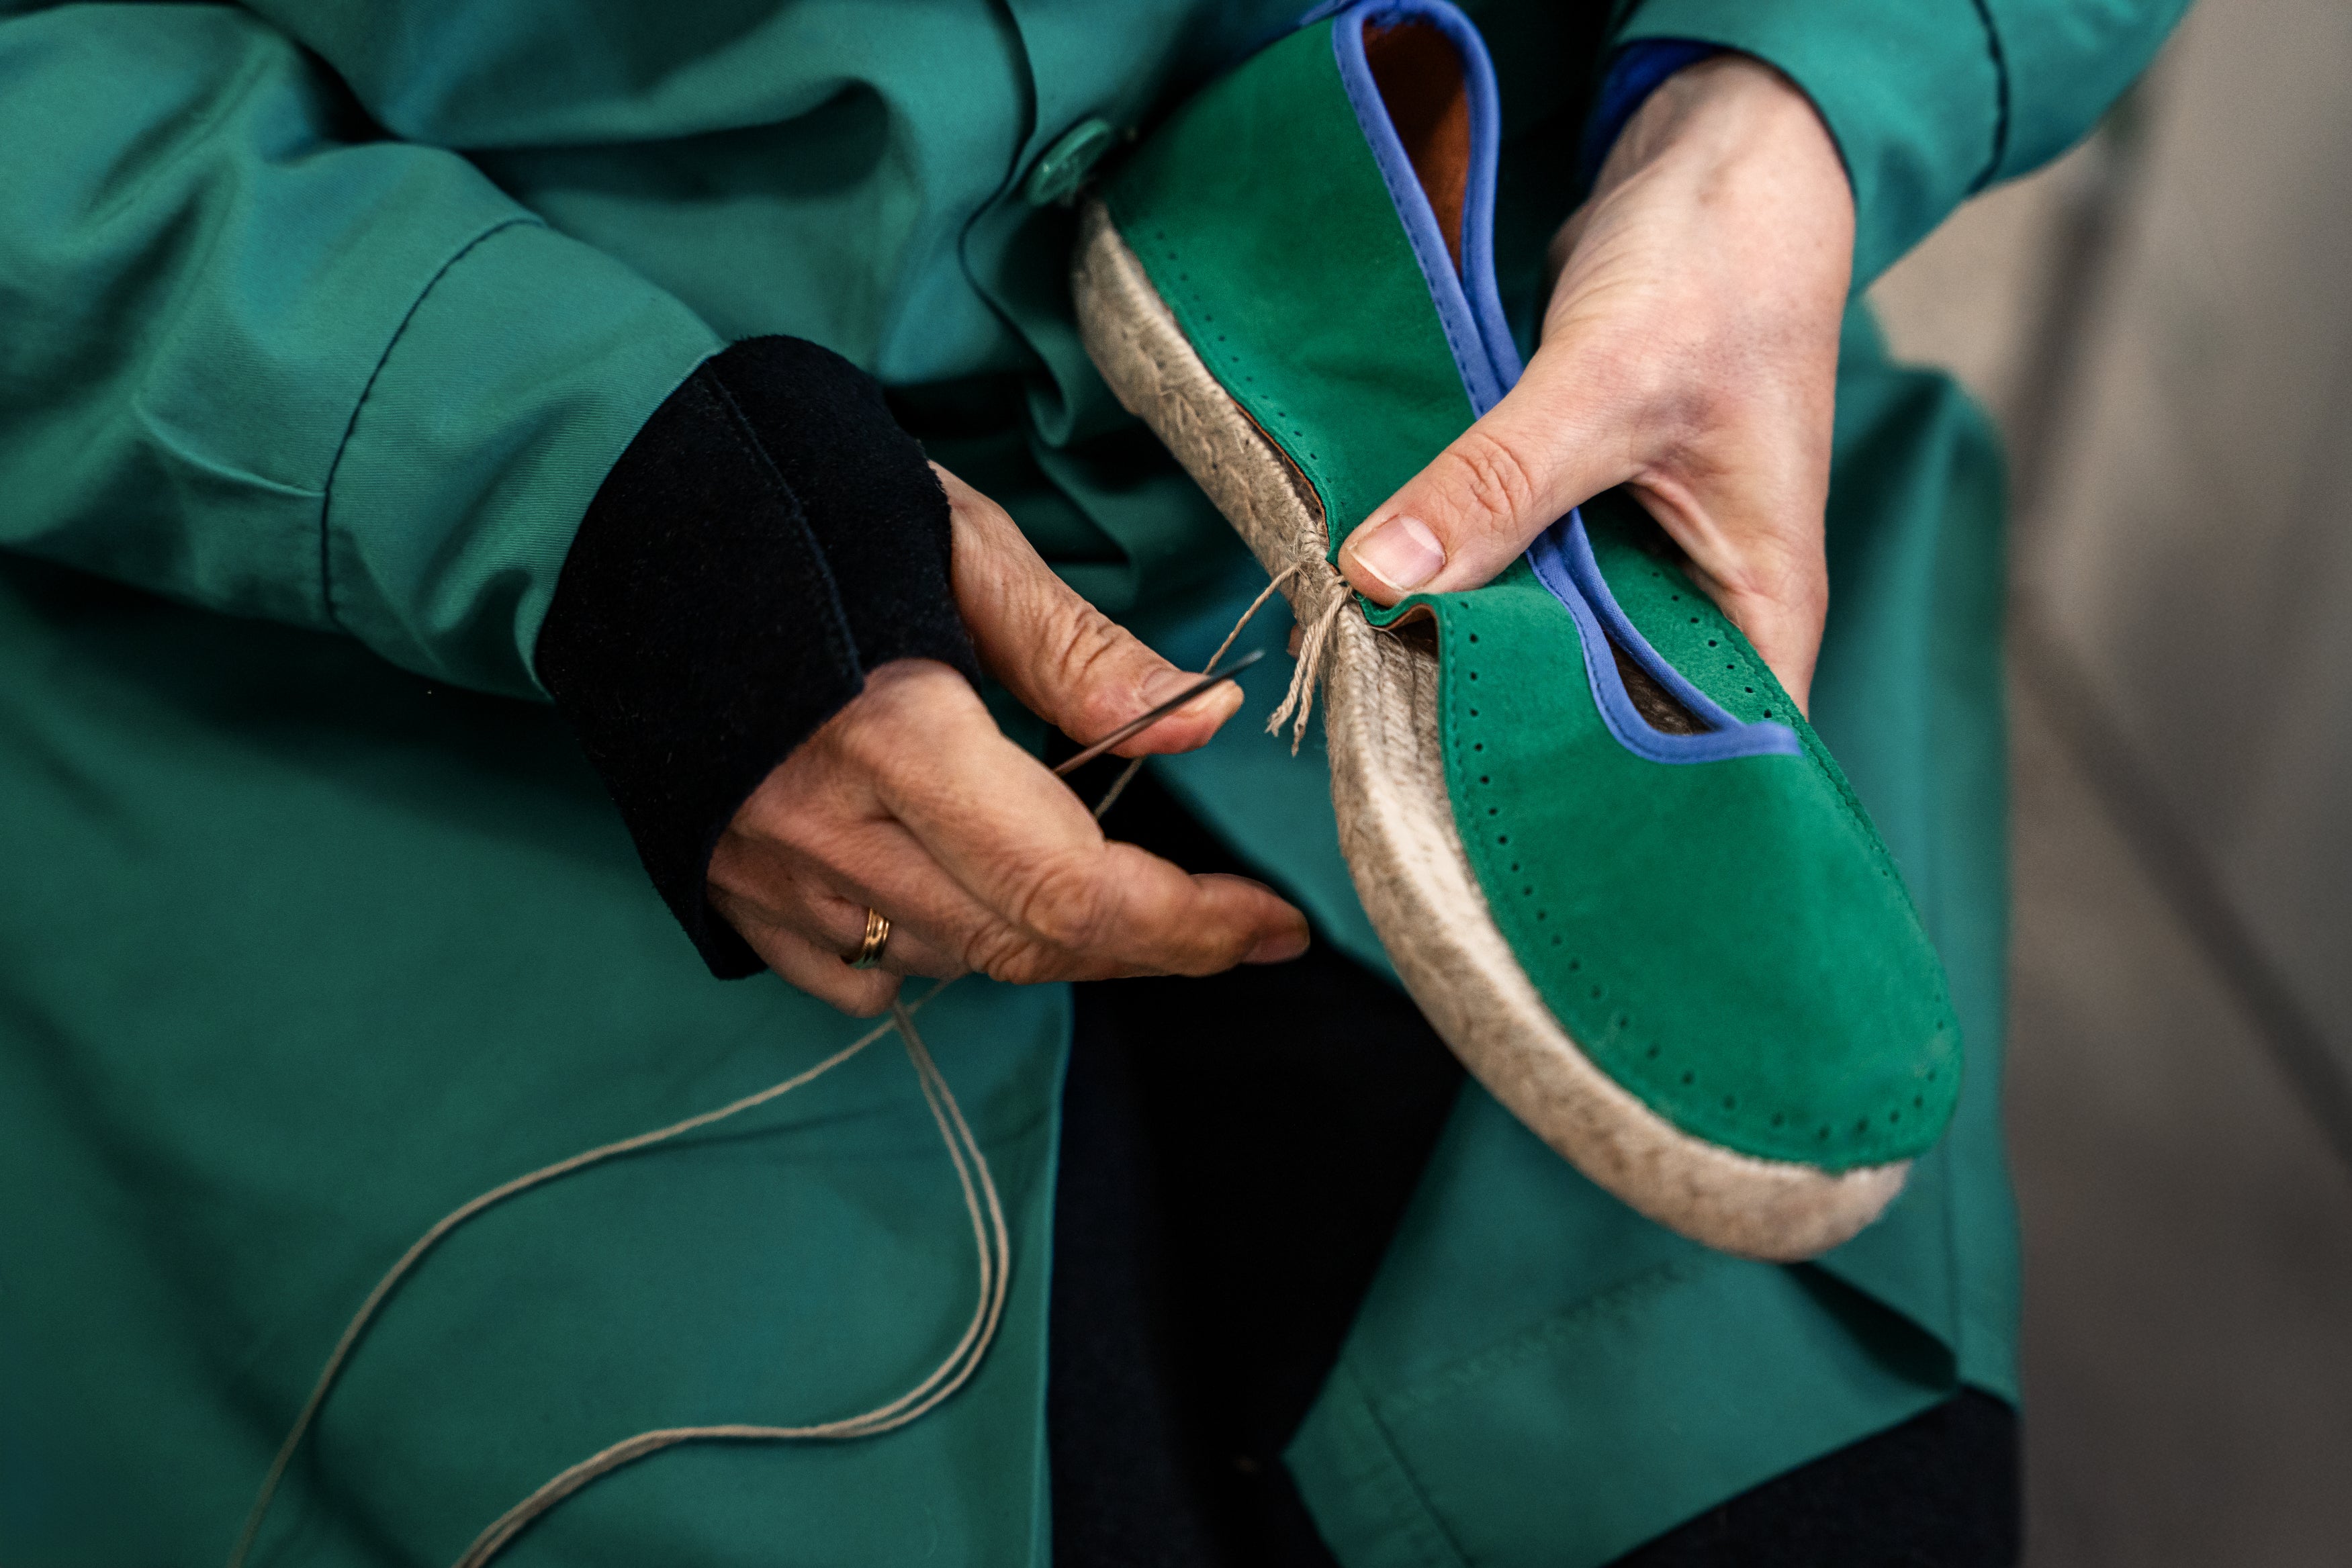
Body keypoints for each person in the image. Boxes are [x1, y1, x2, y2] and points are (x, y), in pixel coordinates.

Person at [0, 1, 2187, 1564]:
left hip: (1520, 297)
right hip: (372, 536)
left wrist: (1796, 105)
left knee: (1790, 1496)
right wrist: (570, 481)